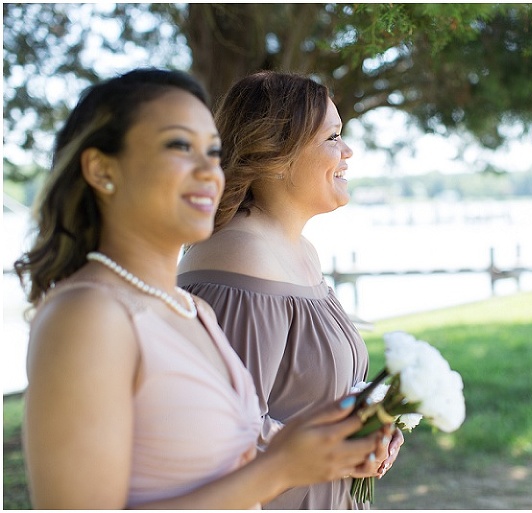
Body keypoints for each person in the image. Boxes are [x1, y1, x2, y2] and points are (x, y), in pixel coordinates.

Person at [13, 68, 384, 509]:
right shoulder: (87, 315)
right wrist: (282, 468)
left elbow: (237, 456)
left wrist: (349, 439)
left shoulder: (191, 311)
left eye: (212, 151)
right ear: (101, 169)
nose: (210, 171)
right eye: (179, 146)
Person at [177, 70, 403, 509]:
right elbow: (229, 433)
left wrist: (373, 428)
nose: (348, 150)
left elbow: (309, 395)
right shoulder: (238, 256)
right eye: (333, 136)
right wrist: (345, 447)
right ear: (277, 153)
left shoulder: (301, 251)